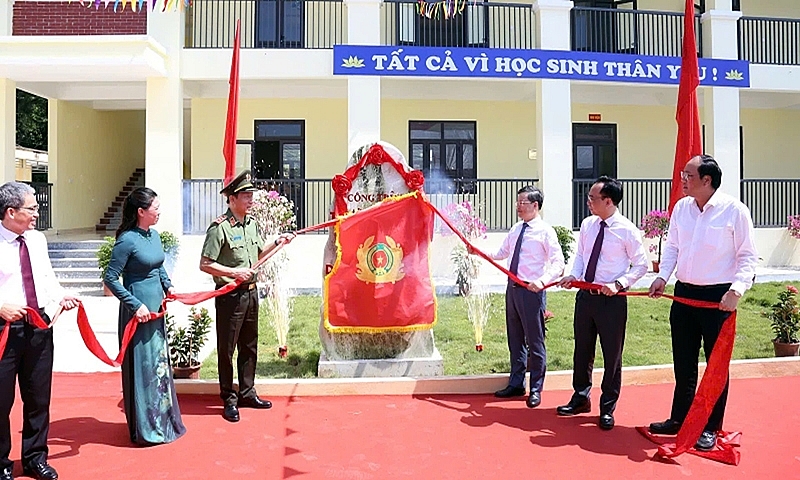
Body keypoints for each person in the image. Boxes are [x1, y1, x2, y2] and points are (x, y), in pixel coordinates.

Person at [647, 155, 758, 451]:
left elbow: (747, 256)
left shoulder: (734, 211)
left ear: (707, 181)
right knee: (683, 364)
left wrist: (736, 290)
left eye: (688, 175)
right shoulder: (682, 208)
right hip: (684, 295)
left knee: (715, 367)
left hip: (718, 298)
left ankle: (710, 426)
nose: (683, 179)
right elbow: (672, 247)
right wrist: (662, 277)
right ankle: (679, 418)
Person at [200, 170, 295, 423]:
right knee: (227, 349)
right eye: (245, 195)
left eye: (251, 195)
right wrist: (233, 272)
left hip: (251, 294)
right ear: (231, 199)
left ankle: (247, 392)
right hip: (230, 296)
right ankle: (228, 398)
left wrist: (278, 243)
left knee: (249, 346)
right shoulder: (219, 228)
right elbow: (205, 263)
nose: (250, 199)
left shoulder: (252, 224)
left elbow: (258, 255)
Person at [0, 182, 79, 480]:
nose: (37, 213)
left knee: (38, 398)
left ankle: (35, 458)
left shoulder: (36, 239)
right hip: (5, 329)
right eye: (32, 208)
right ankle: (1, 463)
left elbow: (46, 276)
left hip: (38, 327)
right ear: (10, 212)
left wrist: (60, 297)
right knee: (1, 401)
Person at [556, 176, 647, 430]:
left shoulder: (627, 230)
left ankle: (607, 407)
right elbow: (582, 255)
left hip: (612, 301)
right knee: (582, 350)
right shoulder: (588, 225)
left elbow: (641, 265)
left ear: (609, 201)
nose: (588, 202)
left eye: (593, 198)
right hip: (586, 298)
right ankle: (581, 397)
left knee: (612, 356)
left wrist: (618, 284)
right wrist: (574, 275)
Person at [103, 187, 186, 446]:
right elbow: (110, 278)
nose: (159, 212)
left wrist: (168, 286)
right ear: (141, 212)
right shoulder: (127, 240)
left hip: (156, 309)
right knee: (142, 367)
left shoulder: (155, 236)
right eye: (155, 208)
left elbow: (159, 266)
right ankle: (145, 427)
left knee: (158, 364)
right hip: (136, 311)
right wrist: (133, 304)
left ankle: (163, 420)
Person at [487, 186, 564, 409]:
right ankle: (516, 383)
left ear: (535, 206)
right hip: (512, 290)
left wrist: (541, 281)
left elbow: (558, 263)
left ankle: (536, 388)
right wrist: (477, 251)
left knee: (535, 341)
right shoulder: (516, 229)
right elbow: (502, 253)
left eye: (523, 203)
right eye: (517, 202)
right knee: (515, 339)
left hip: (532, 292)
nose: (518, 207)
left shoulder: (545, 231)